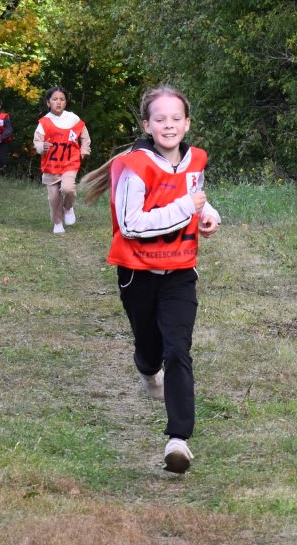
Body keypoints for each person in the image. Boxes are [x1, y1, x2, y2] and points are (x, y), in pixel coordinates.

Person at [80, 85, 218, 475]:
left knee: (178, 349)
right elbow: (131, 224)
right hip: (137, 273)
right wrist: (184, 209)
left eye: (176, 118)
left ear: (187, 123)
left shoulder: (195, 159)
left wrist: (208, 216)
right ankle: (145, 369)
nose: (169, 125)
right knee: (150, 347)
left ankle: (178, 440)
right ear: (147, 124)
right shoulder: (133, 166)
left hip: (179, 272)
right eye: (160, 119)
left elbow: (196, 198)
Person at [32, 87, 89, 233]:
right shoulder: (44, 122)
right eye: (55, 99)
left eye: (62, 99)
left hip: (70, 162)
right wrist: (41, 146)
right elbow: (37, 142)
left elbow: (84, 136)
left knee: (68, 188)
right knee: (53, 198)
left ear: (66, 102)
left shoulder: (73, 118)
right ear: (48, 103)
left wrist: (84, 150)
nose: (58, 102)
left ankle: (68, 207)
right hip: (51, 165)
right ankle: (57, 223)